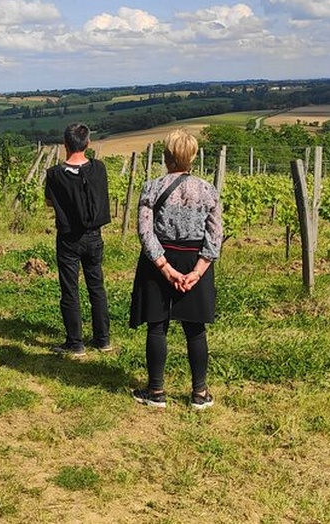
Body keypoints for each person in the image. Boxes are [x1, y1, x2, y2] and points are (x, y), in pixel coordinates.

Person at [129, 129, 222, 410]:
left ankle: (156, 391)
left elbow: (145, 232)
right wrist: (198, 270)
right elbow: (215, 234)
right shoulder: (207, 189)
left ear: (167, 156)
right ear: (192, 157)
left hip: (160, 260)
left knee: (157, 326)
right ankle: (199, 393)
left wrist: (165, 268)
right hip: (195, 260)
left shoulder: (151, 187)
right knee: (195, 330)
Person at [44, 123, 112, 357]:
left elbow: (49, 202)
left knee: (70, 289)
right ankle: (102, 339)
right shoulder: (99, 168)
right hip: (94, 236)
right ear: (87, 143)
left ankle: (76, 342)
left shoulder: (54, 174)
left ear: (65, 144)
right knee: (97, 287)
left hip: (68, 237)